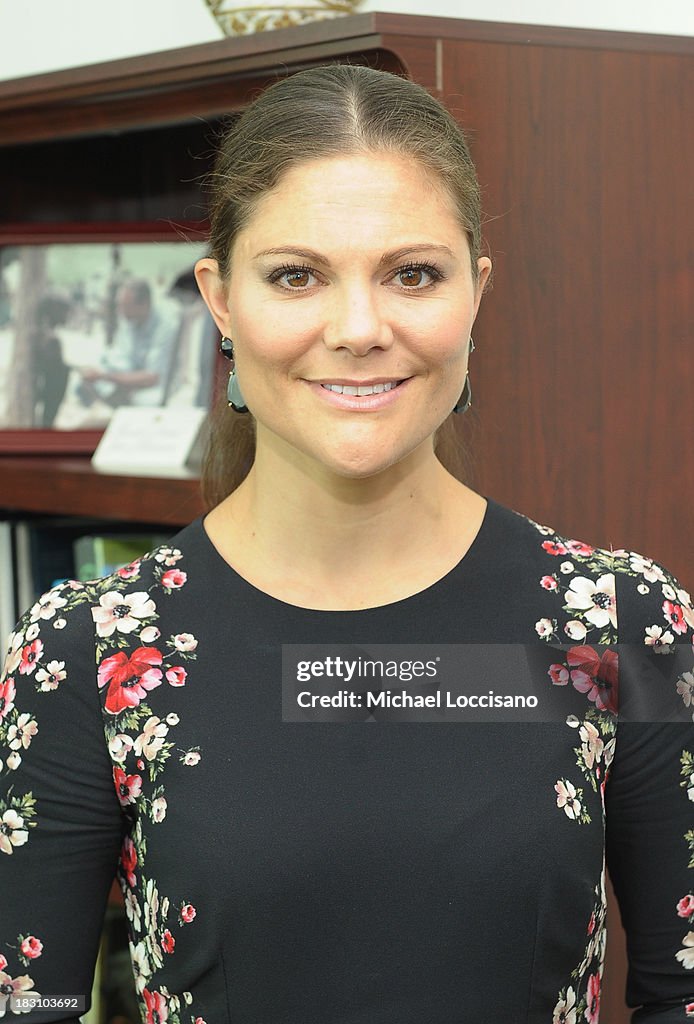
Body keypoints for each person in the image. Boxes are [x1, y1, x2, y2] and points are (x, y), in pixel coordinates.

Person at [1, 64, 692, 1024]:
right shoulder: (86, 650)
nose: (360, 329)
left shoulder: (625, 622)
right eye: (296, 276)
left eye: (413, 274)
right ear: (219, 299)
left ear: (477, 293)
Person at [77, 278, 180, 408]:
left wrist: (105, 376)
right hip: (130, 375)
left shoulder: (166, 326)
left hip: (156, 388)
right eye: (119, 305)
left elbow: (152, 377)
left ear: (144, 305)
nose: (120, 311)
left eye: (125, 306)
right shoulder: (129, 317)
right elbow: (120, 355)